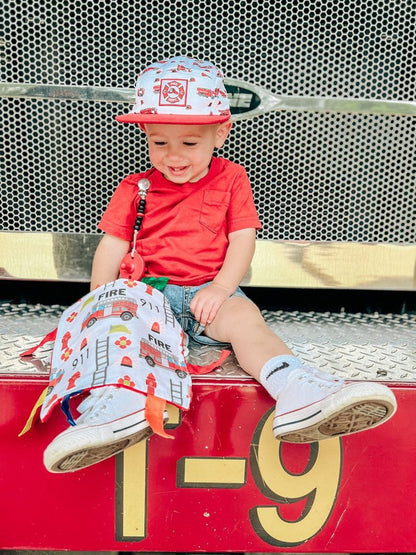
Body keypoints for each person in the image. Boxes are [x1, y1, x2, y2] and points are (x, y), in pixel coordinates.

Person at [43, 56, 397, 472]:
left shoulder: (232, 180)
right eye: (160, 142)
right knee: (120, 331)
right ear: (146, 135)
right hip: (148, 297)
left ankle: (297, 388)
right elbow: (112, 247)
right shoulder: (133, 188)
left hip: (207, 295)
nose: (173, 156)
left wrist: (222, 289)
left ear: (220, 134)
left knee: (247, 320)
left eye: (189, 143)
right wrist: (99, 306)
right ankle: (119, 407)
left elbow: (242, 239)